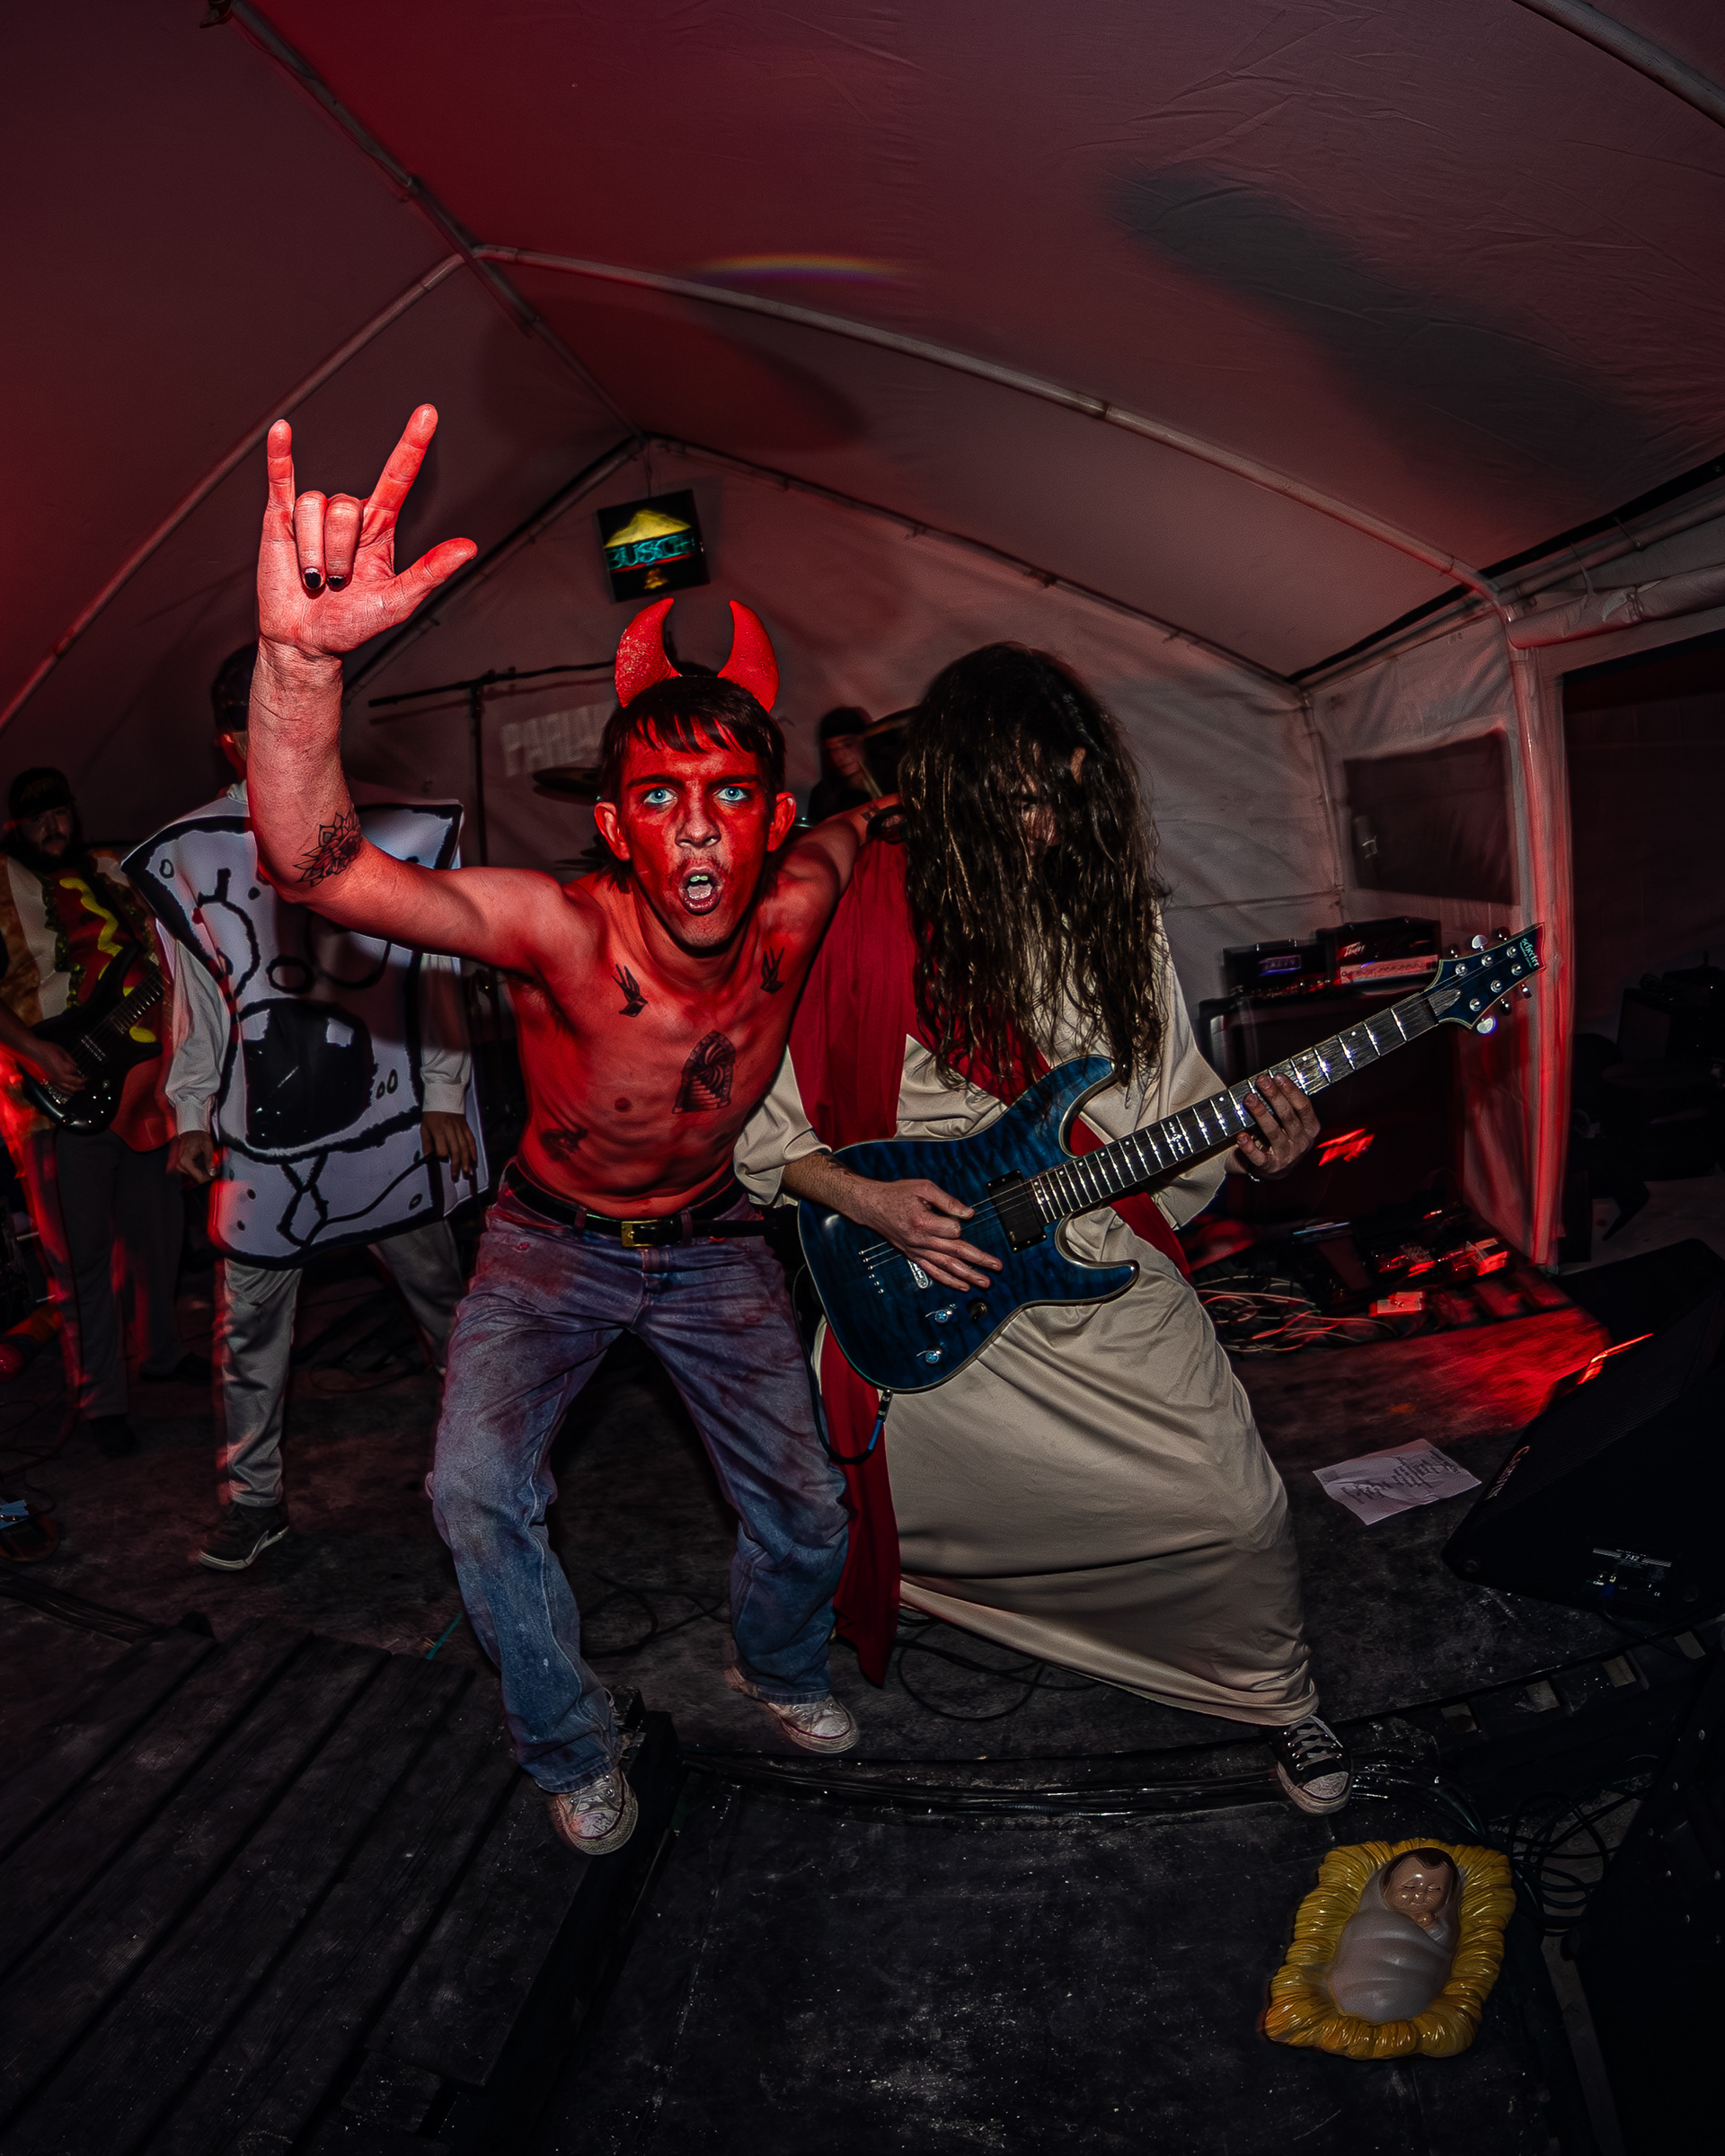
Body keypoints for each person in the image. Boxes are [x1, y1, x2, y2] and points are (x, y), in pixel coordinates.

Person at [238, 405, 882, 1857]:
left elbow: (859, 828)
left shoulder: (798, 894)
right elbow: (318, 866)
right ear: (614, 825)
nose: (699, 830)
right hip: (548, 1249)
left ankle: (778, 1661)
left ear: (773, 817)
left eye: (729, 798)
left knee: (807, 1505)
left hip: (714, 1245)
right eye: (662, 798)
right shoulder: (556, 928)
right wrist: (300, 669)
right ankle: (567, 1740)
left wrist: (893, 797)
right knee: (473, 1493)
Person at [736, 642, 1355, 1815]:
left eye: (1068, 797)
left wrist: (1257, 1139)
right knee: (845, 1503)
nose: (1051, 828)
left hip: (1094, 1255)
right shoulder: (856, 909)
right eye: (1023, 799)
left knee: (1237, 1507)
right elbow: (762, 1122)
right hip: (925, 1269)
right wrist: (865, 1200)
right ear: (954, 787)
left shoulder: (1113, 916)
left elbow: (1171, 1106)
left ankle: (1274, 1692)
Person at [142, 646, 477, 1572]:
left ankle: (483, 1475)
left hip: (390, 1122)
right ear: (232, 739)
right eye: (270, 721)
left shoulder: (398, 827)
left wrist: (443, 1091)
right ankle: (253, 1501)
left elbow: (434, 962)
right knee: (248, 1326)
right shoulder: (190, 852)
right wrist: (191, 1113)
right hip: (261, 1135)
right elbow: (198, 994)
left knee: (449, 1311)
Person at [0, 767, 200, 1456]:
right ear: (15, 826)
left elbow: (162, 954)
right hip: (60, 1098)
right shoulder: (3, 886)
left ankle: (164, 1354)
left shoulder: (112, 871)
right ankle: (100, 1402)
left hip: (144, 1092)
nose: (52, 827)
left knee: (159, 1237)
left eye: (59, 813)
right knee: (82, 1259)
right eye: (36, 819)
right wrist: (34, 1052)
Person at [806, 706, 900, 822]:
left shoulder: (895, 776)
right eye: (830, 750)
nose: (838, 756)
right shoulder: (821, 795)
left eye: (847, 745)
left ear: (864, 741)